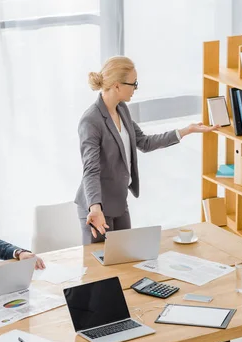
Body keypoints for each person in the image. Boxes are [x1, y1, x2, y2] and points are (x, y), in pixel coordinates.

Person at [75, 56, 217, 244]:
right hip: (97, 207)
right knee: (101, 267)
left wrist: (185, 131)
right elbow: (91, 169)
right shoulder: (91, 120)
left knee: (127, 258)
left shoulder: (122, 109)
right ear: (117, 86)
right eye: (133, 84)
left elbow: (144, 142)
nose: (135, 88)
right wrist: (95, 208)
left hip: (118, 200)